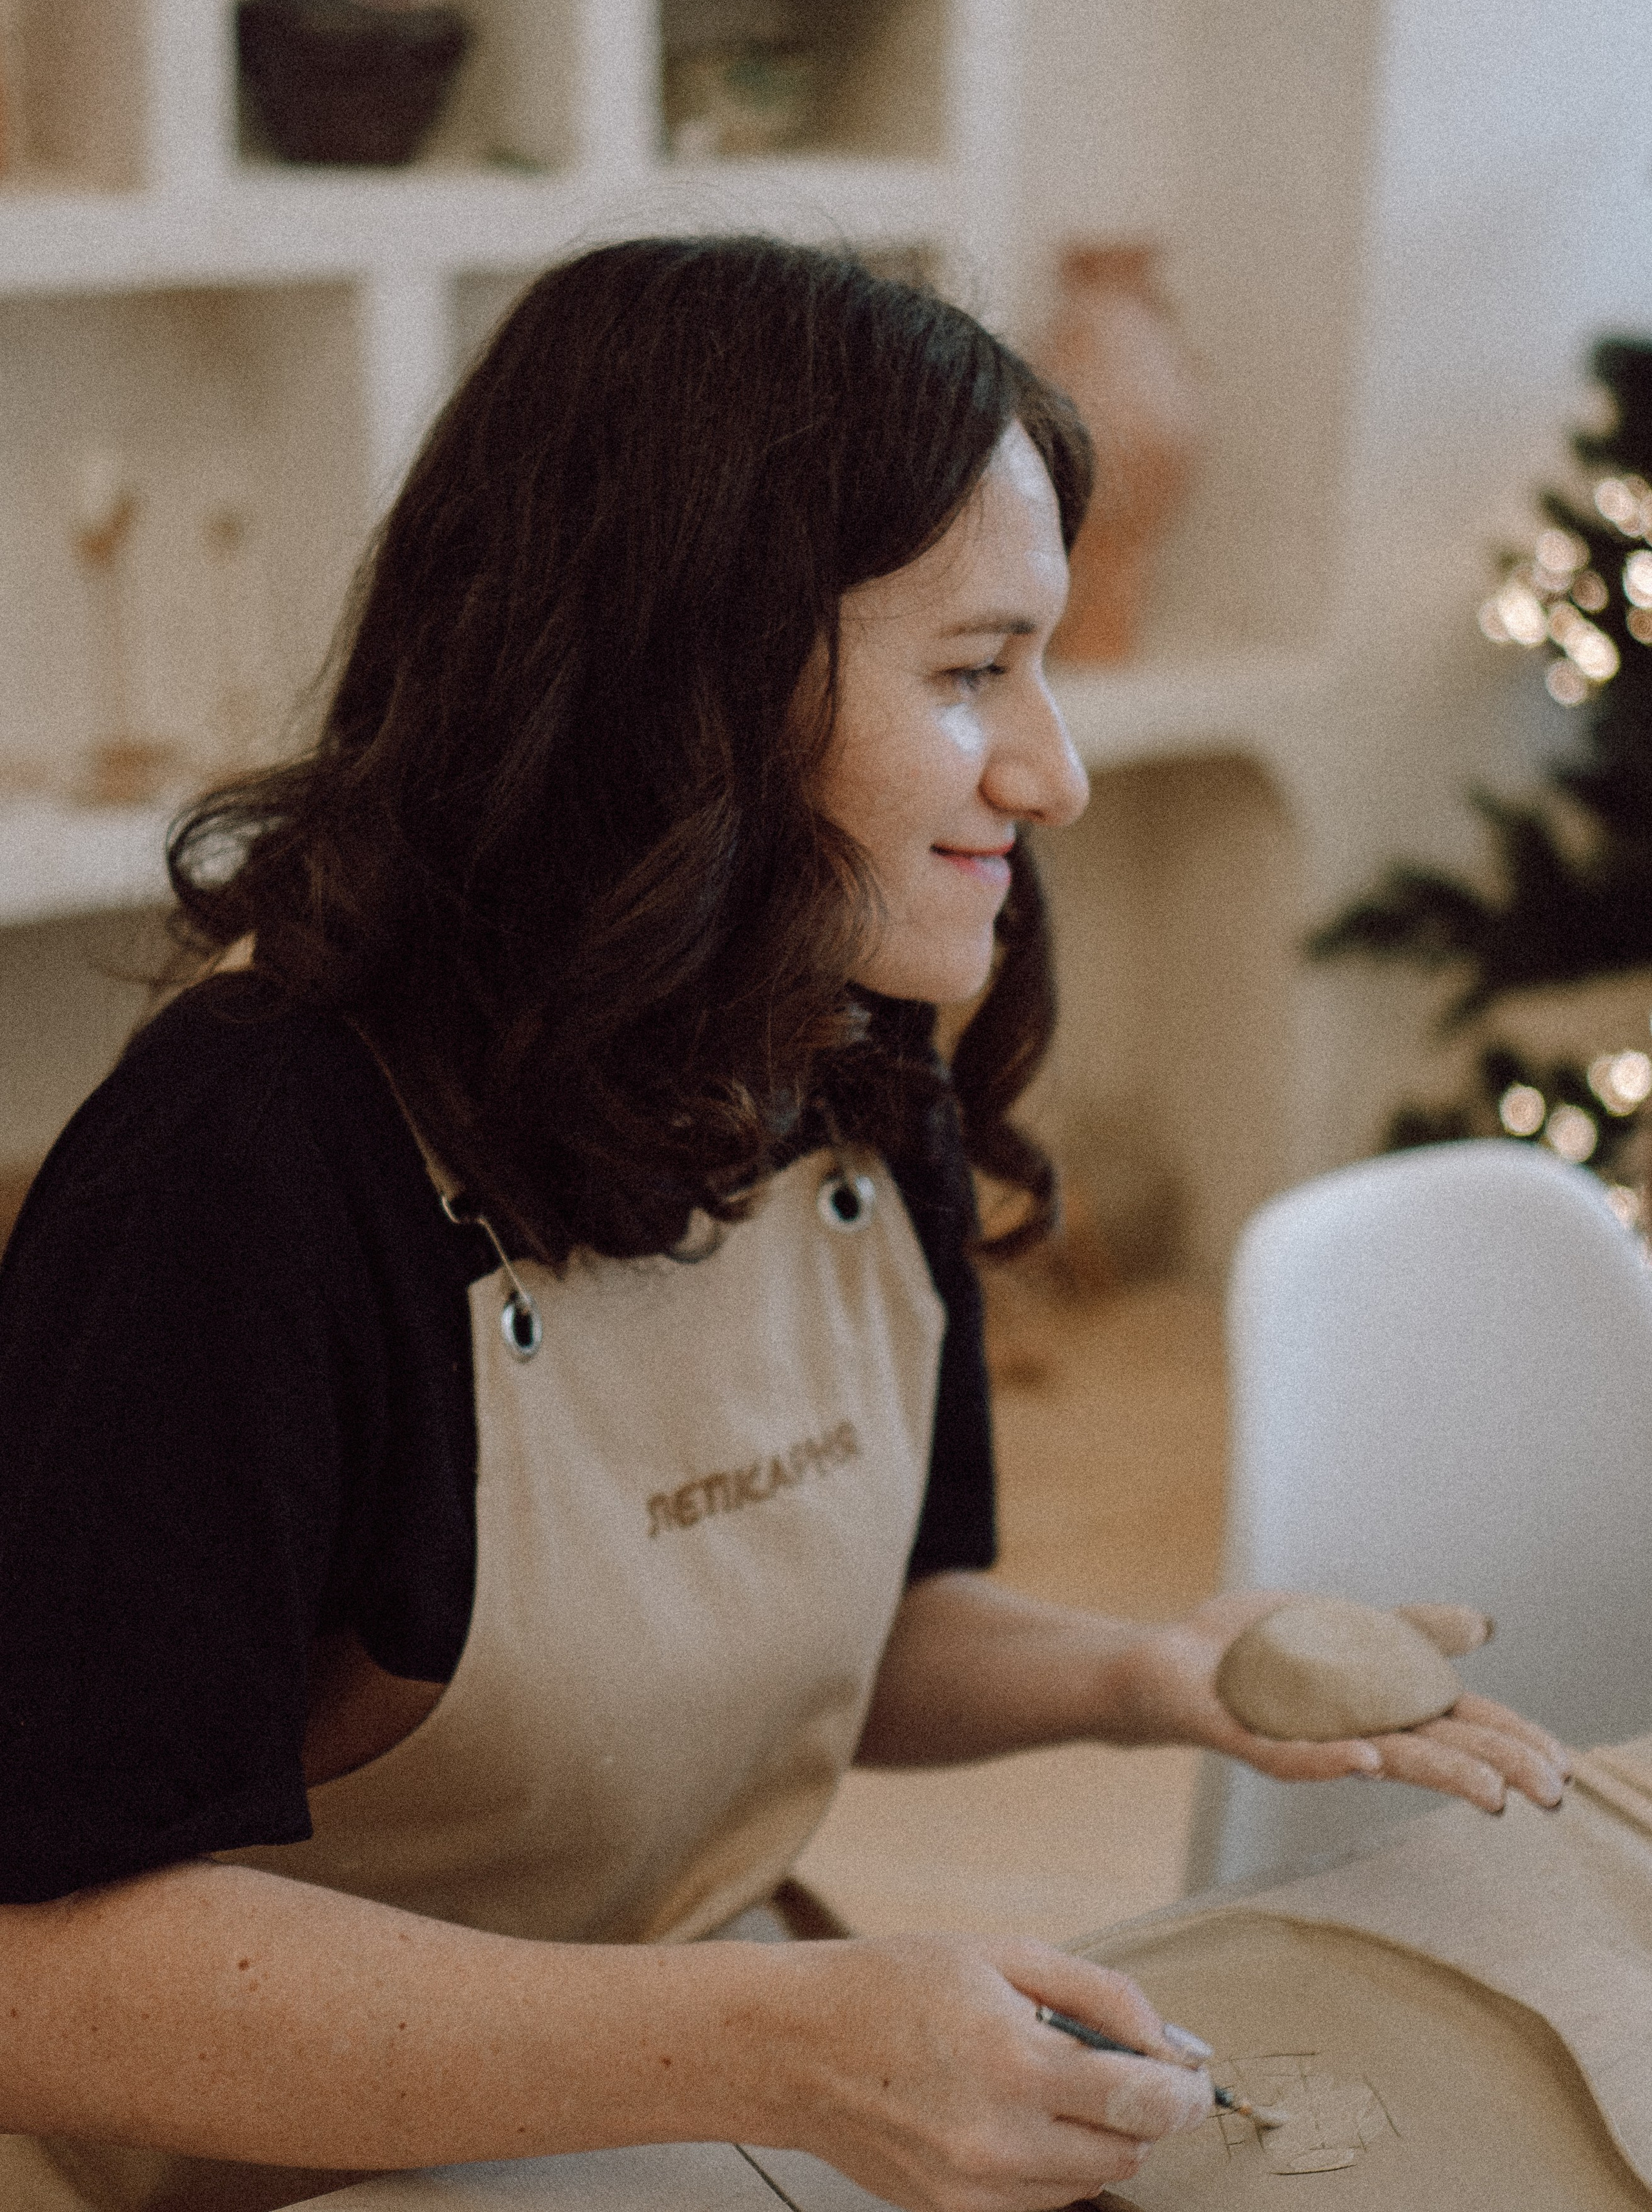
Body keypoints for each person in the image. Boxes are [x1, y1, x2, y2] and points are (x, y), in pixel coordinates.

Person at [0, 239, 1569, 2212]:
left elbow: (852, 1631)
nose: (1057, 772)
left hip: (707, 2097)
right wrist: (775, 2039)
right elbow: (43, 1977)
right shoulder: (244, 1172)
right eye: (978, 671)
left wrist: (1145, 1670)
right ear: (687, 691)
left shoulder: (839, 1070)